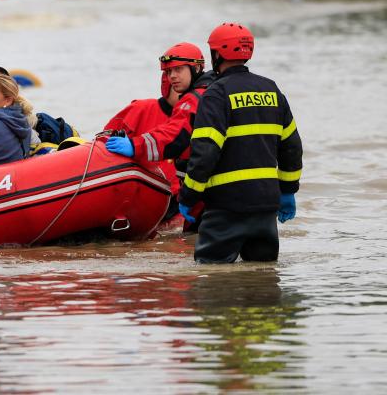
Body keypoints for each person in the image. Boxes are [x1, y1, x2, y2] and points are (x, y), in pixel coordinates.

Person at [179, 22, 303, 263]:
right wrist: (288, 191)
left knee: (211, 279)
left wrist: (188, 197)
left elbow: (205, 152)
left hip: (227, 207)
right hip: (266, 207)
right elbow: (291, 146)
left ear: (217, 54)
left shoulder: (216, 94)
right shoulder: (271, 90)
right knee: (263, 278)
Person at [104, 43, 214, 214]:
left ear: (197, 68)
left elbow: (172, 138)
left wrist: (134, 146)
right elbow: (104, 140)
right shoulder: (217, 93)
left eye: (178, 70)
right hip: (202, 193)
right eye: (169, 72)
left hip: (193, 196)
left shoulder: (194, 100)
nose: (173, 77)